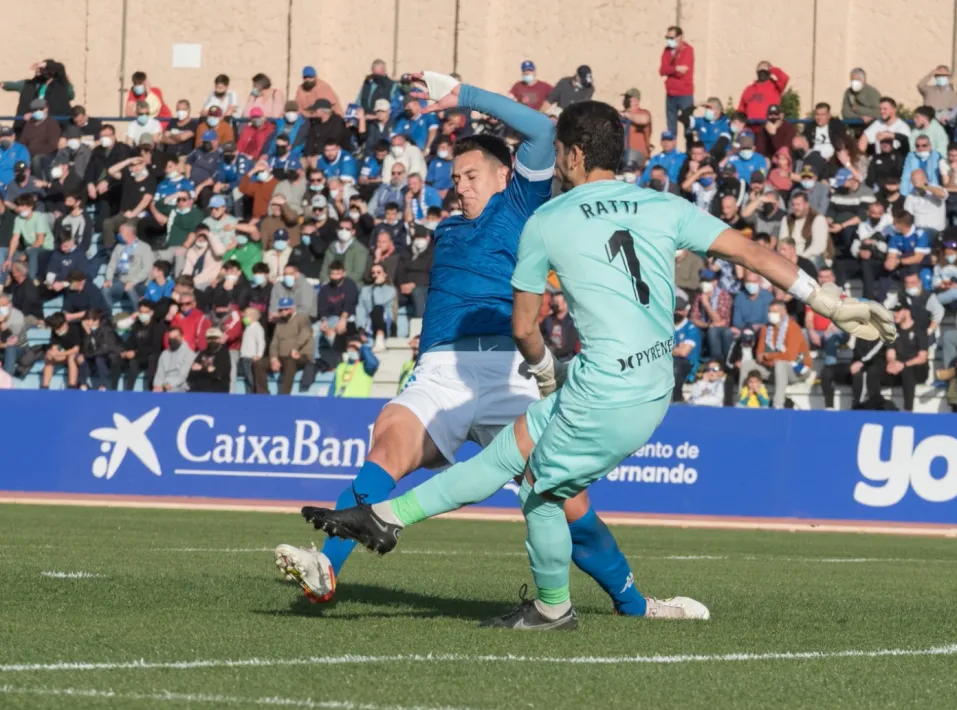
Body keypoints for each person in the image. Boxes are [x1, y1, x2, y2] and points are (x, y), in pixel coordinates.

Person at [301, 97, 895, 629]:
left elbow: (525, 326)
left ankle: (531, 596)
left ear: (575, 153)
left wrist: (540, 370)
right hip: (652, 382)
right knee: (524, 466)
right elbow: (751, 251)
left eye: (559, 150)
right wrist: (831, 302)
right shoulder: (663, 205)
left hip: (602, 387)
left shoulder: (547, 220)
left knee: (531, 483)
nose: (554, 159)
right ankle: (392, 523)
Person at [277, 72, 707, 620]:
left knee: (564, 499)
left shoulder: (521, 205)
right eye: (455, 177)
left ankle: (635, 604)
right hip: (442, 371)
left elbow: (541, 129)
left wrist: (466, 97)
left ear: (507, 175)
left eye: (471, 174)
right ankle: (326, 569)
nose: (460, 185)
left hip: (512, 370)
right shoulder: (449, 229)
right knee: (388, 443)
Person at [253, 297, 315, 394]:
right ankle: (263, 394)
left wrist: (295, 348)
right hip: (282, 357)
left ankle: (284, 396)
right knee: (258, 364)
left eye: (286, 309)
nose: (284, 312)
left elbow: (305, 333)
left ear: (292, 308)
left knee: (291, 362)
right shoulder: (279, 323)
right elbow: (274, 342)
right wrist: (274, 358)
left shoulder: (302, 318)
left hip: (300, 355)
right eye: (281, 310)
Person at [660, 27, 694, 138]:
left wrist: (670, 70)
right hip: (670, 93)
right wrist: (675, 69)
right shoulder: (667, 51)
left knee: (688, 126)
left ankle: (690, 153)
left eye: (672, 38)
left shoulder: (688, 50)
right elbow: (662, 70)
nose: (669, 40)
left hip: (684, 94)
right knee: (671, 128)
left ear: (680, 37)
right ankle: (671, 153)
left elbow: (681, 73)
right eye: (667, 37)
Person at [330, 333, 380, 398]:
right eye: (349, 347)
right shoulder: (341, 366)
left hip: (358, 404)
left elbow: (373, 363)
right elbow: (332, 389)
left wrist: (362, 347)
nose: (352, 350)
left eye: (355, 348)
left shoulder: (365, 366)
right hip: (340, 404)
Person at [152, 325, 195, 392]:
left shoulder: (189, 354)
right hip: (164, 384)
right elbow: (160, 373)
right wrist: (157, 385)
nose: (172, 340)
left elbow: (183, 376)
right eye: (170, 338)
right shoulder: (165, 354)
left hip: (181, 386)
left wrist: (167, 385)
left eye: (175, 337)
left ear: (182, 337)